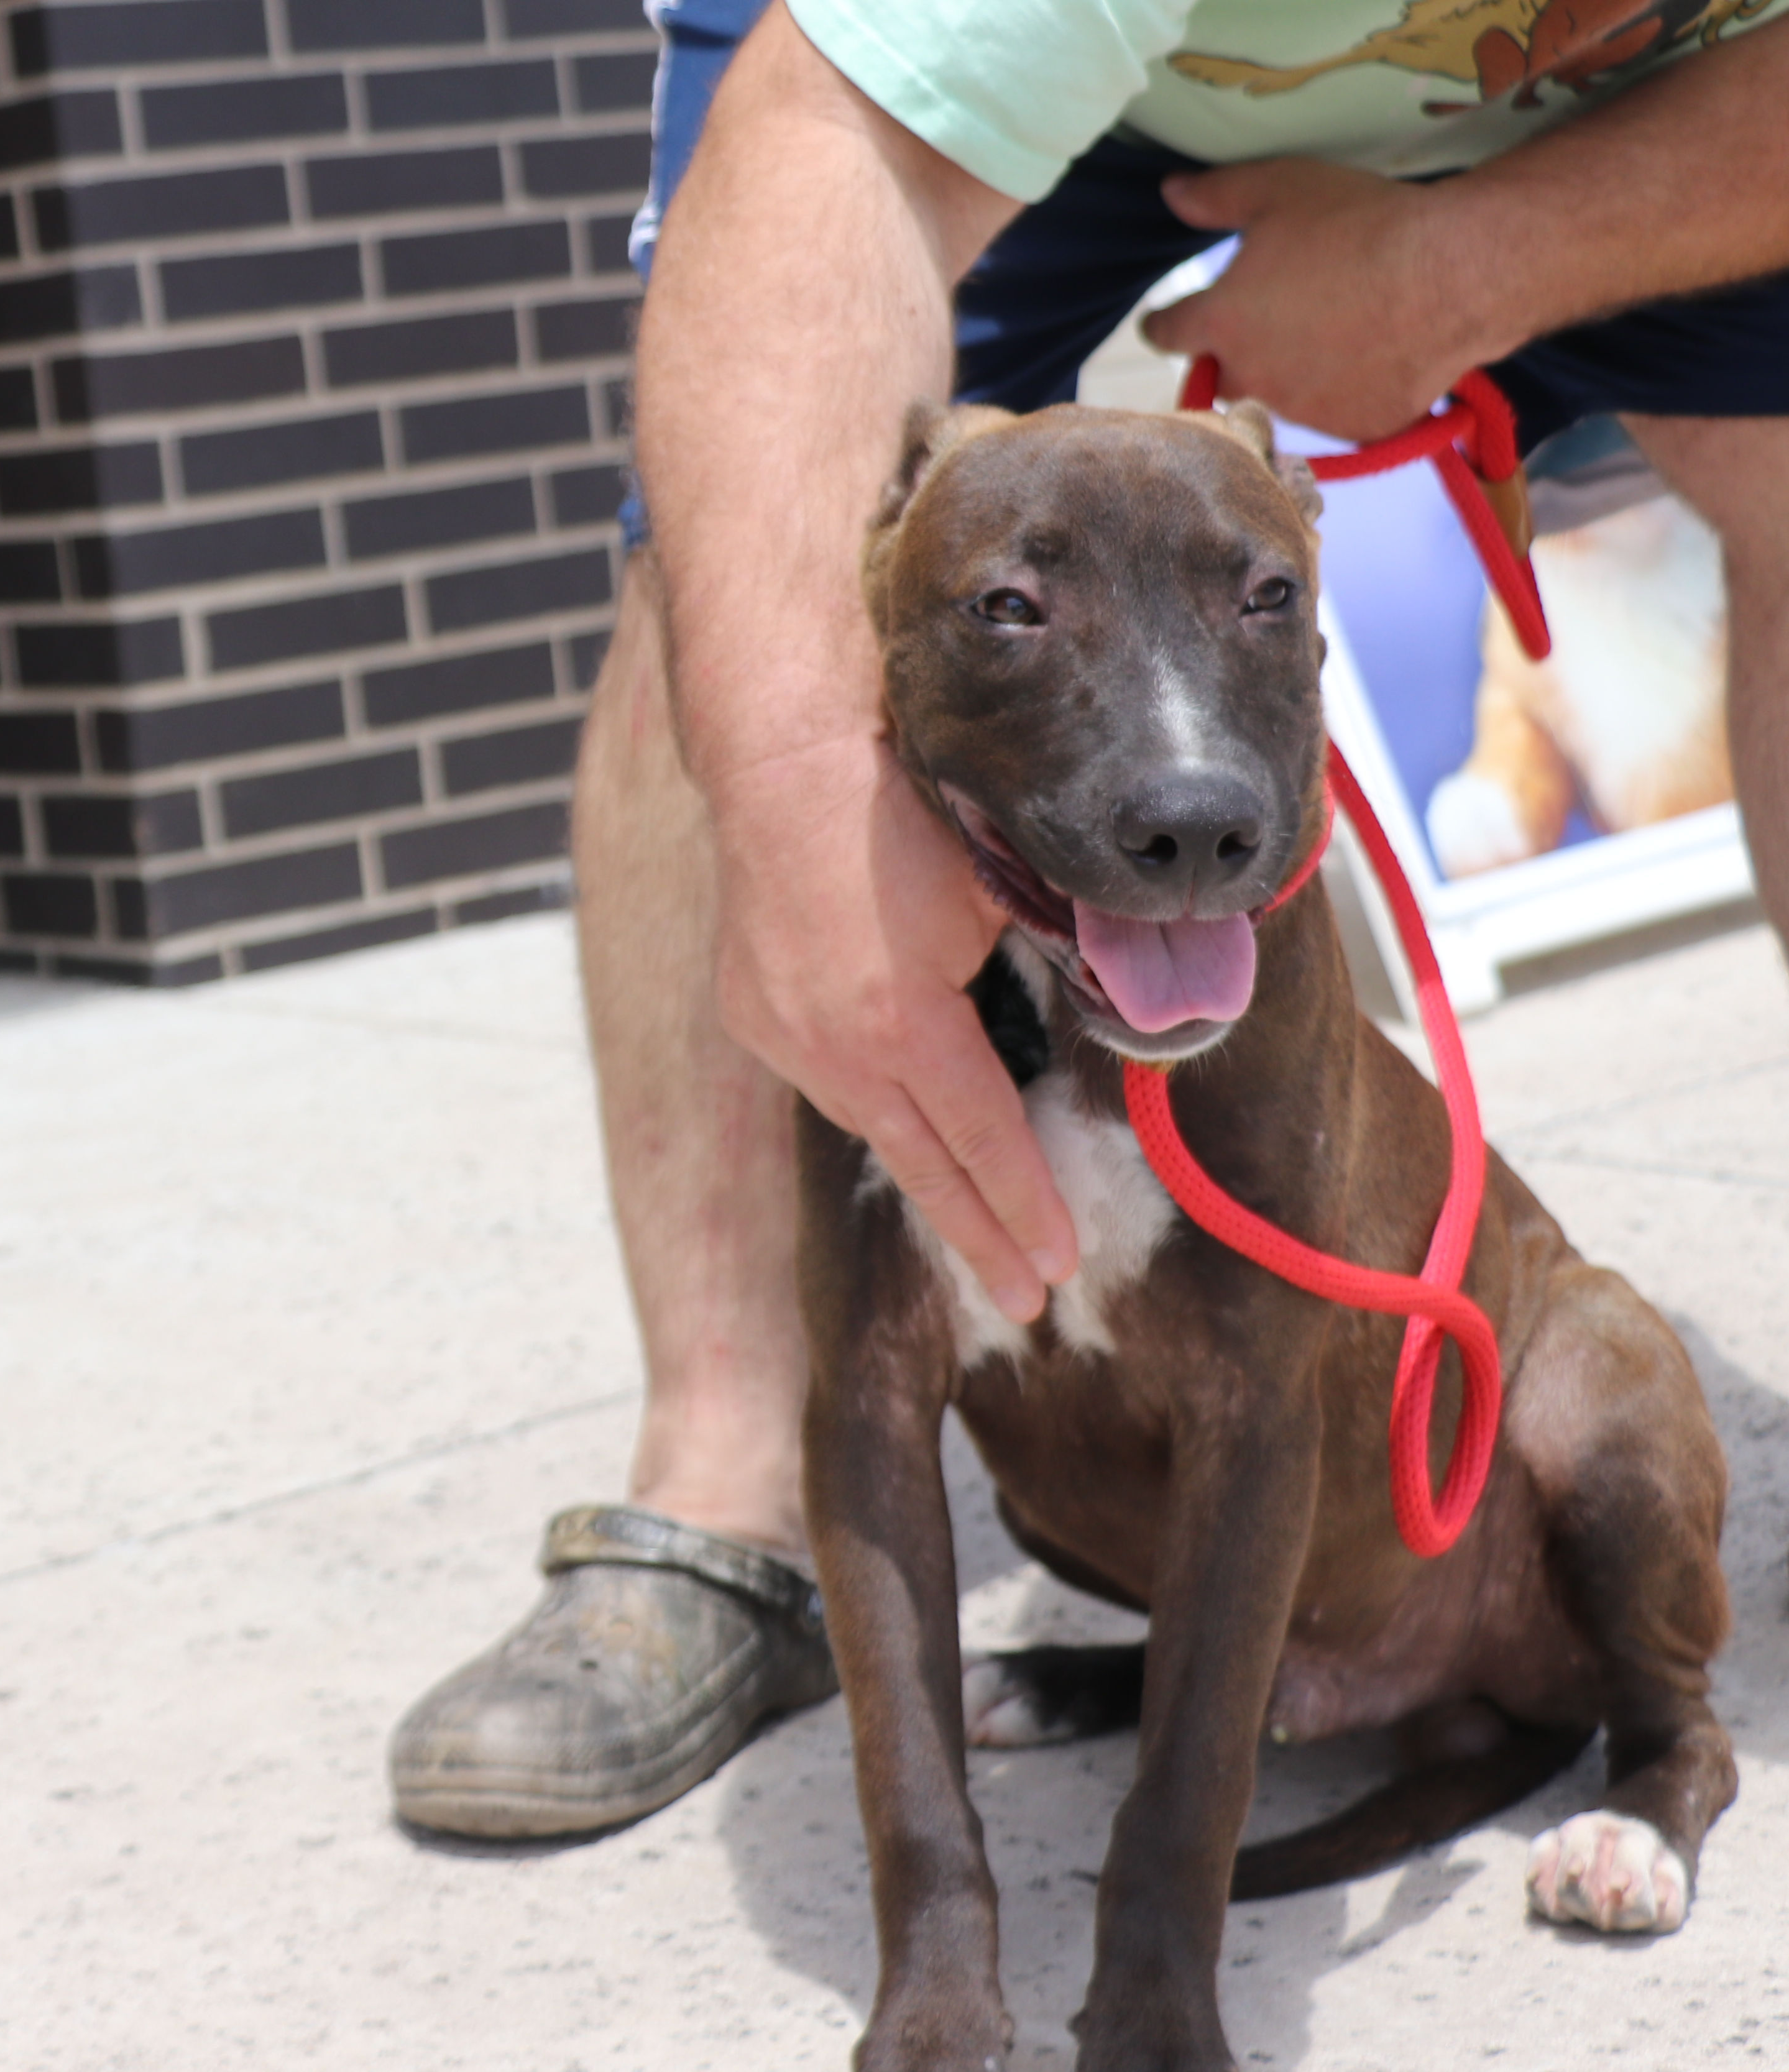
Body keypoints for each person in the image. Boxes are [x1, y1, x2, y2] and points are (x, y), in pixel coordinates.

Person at [390, 0, 1789, 1838]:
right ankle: (723, 1493)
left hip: (1675, 85)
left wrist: (1470, 253)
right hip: (975, 73)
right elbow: (832, 156)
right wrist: (806, 803)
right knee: (733, 581)